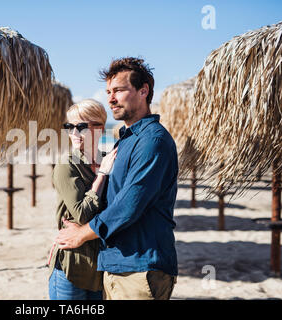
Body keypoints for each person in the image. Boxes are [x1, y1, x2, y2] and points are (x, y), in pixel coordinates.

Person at [55, 57, 178, 300]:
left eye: (119, 90)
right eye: (109, 91)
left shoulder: (152, 141)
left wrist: (81, 233)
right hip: (115, 264)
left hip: (140, 265)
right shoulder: (126, 139)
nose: (111, 98)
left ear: (143, 91)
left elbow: (128, 205)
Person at [48, 99, 118, 300]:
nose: (74, 133)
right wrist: (102, 175)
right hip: (72, 266)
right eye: (69, 127)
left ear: (100, 128)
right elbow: (81, 214)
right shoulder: (67, 166)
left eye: (81, 127)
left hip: (100, 265)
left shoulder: (109, 158)